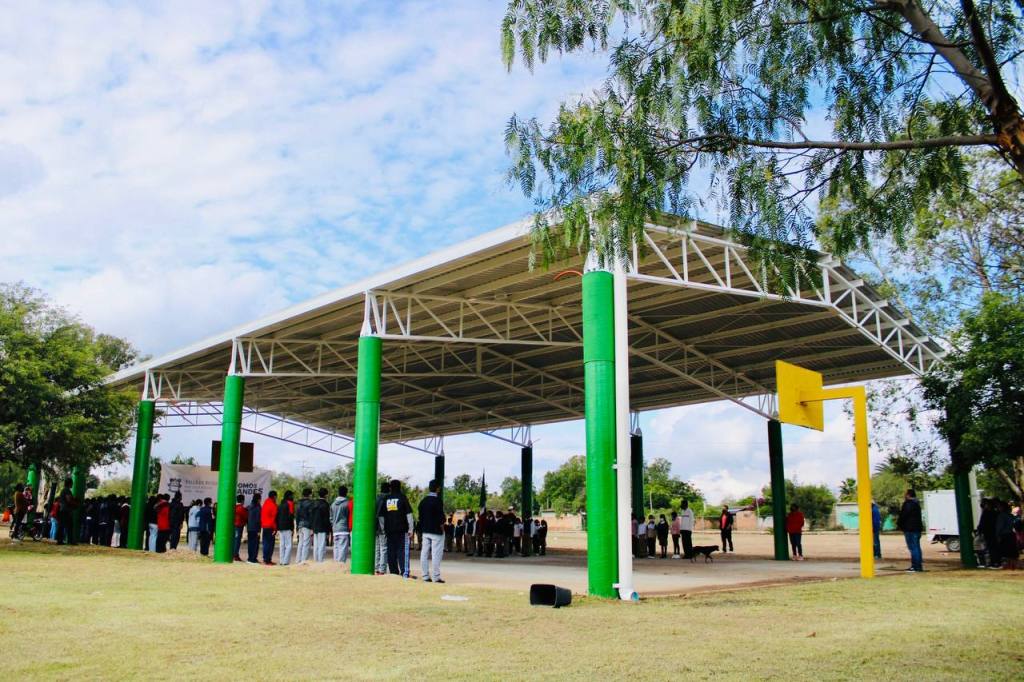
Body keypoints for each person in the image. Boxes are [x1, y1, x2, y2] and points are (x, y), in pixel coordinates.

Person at [378, 479, 414, 577]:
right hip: (402, 529)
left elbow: (381, 516)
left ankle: (393, 572)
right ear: (400, 487)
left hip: (389, 530)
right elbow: (409, 514)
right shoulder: (403, 498)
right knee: (402, 551)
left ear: (390, 488)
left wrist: (383, 528)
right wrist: (411, 529)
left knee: (391, 551)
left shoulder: (386, 499)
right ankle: (404, 572)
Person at [418, 479, 446, 582]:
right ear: (438, 488)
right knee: (436, 554)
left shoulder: (423, 501)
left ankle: (425, 576)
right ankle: (436, 577)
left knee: (424, 553)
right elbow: (440, 517)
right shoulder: (437, 501)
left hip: (425, 530)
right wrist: (442, 528)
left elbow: (420, 517)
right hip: (436, 531)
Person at [897, 489, 924, 572]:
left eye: (905, 494)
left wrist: (899, 524)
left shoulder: (908, 504)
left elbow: (903, 515)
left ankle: (915, 566)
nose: (904, 495)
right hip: (917, 529)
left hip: (910, 529)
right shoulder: (917, 503)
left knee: (913, 548)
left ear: (908, 495)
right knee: (917, 547)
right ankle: (918, 566)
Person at [330, 485, 352, 564]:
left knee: (336, 548)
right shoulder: (347, 504)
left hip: (335, 530)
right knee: (342, 549)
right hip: (344, 529)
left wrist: (333, 525)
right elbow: (349, 516)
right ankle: (341, 565)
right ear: (346, 493)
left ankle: (336, 565)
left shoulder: (333, 504)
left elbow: (331, 518)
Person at [995, 499, 1019, 570]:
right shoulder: (1010, 515)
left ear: (1002, 507)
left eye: (999, 507)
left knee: (1006, 552)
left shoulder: (1001, 516)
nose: (998, 508)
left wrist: (997, 535)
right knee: (1012, 552)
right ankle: (1013, 566)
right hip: (1011, 534)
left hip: (1004, 535)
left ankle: (1008, 565)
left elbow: (999, 527)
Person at [977, 498, 1000, 569]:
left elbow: (982, 523)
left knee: (990, 548)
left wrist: (979, 531)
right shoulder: (996, 513)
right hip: (995, 532)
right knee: (995, 547)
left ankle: (992, 562)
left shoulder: (986, 513)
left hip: (988, 533)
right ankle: (997, 561)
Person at [312, 487, 332, 563]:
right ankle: (320, 561)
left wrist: (312, 526)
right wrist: (328, 530)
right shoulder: (326, 504)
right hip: (322, 527)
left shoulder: (314, 503)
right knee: (321, 545)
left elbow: (311, 516)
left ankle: (315, 560)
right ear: (326, 495)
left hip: (315, 527)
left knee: (316, 545)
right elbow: (326, 518)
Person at [295, 488, 314, 563]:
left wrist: (297, 526)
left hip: (300, 525)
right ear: (310, 494)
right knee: (306, 543)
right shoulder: (311, 503)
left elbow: (297, 515)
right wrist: (312, 527)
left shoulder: (299, 503)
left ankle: (298, 560)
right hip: (307, 525)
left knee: (300, 543)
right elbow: (311, 516)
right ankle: (304, 560)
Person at [276, 490, 295, 566]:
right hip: (287, 526)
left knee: (282, 544)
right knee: (289, 545)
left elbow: (277, 516)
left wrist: (278, 527)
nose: (293, 497)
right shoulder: (290, 503)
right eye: (292, 495)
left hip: (281, 527)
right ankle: (285, 561)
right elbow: (291, 516)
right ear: (289, 496)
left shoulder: (280, 504)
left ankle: (281, 561)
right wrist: (292, 528)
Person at [374, 482, 389, 574]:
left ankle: (376, 567)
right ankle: (382, 569)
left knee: (377, 547)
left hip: (375, 526)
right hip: (383, 525)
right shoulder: (387, 499)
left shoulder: (376, 498)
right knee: (384, 548)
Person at [261, 490, 278, 566]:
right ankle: (268, 560)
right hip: (270, 527)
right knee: (270, 544)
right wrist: (275, 528)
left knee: (265, 543)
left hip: (264, 526)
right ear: (274, 496)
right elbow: (274, 518)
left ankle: (265, 559)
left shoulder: (265, 503)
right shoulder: (273, 505)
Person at [246, 492, 262, 564]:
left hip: (249, 527)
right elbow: (258, 519)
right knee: (255, 544)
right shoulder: (258, 507)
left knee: (250, 544)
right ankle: (253, 559)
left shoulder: (249, 507)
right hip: (255, 528)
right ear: (258, 499)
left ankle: (250, 558)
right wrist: (259, 530)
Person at [232, 494, 247, 561]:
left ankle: (234, 554)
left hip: (234, 525)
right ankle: (235, 555)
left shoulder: (234, 507)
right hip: (238, 526)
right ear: (242, 500)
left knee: (234, 540)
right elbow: (245, 516)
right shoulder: (241, 508)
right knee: (237, 541)